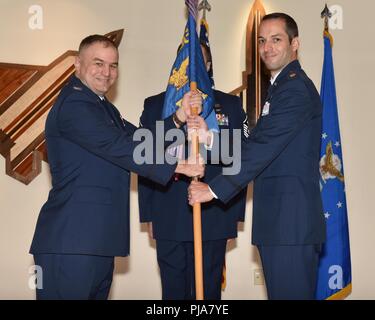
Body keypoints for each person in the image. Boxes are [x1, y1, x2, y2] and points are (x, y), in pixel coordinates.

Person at [29, 34, 204, 300]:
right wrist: (179, 165)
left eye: (113, 65)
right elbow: (120, 148)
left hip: (96, 241)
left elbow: (140, 140)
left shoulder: (103, 107)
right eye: (98, 63)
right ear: (77, 64)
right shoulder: (75, 104)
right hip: (72, 243)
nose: (107, 72)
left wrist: (179, 117)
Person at [188, 13, 326, 300]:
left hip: (290, 226)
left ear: (295, 43)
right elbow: (255, 142)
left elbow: (261, 149)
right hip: (279, 225)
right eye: (262, 41)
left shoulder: (294, 89)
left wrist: (212, 189)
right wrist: (209, 136)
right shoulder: (279, 88)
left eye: (276, 40)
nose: (267, 48)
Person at [137, 43, 248, 300]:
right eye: (188, 62)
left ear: (208, 66)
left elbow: (243, 157)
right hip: (169, 212)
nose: (195, 69)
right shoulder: (155, 105)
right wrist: (149, 216)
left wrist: (235, 216)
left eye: (201, 62)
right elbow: (143, 159)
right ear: (179, 66)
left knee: (208, 291)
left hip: (215, 212)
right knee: (173, 293)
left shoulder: (230, 105)